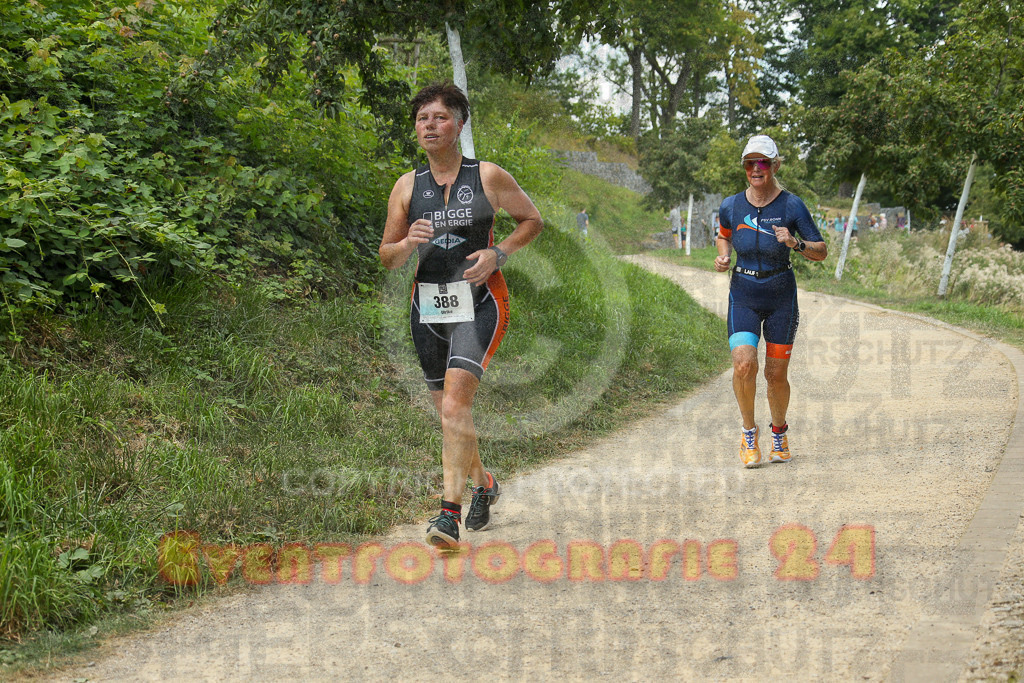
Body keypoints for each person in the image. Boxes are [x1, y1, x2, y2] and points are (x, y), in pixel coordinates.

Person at [379, 83, 543, 548]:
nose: (429, 126)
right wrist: (407, 243)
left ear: (459, 125)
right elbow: (386, 256)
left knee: (455, 405)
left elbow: (532, 220)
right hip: (426, 307)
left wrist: (499, 253)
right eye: (422, 119)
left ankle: (447, 515)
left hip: (479, 302)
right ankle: (484, 485)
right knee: (448, 414)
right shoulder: (407, 186)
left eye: (440, 118)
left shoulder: (487, 176)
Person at [713, 134, 828, 468]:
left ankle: (779, 432)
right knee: (743, 363)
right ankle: (749, 434)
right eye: (750, 163)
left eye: (763, 162)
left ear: (776, 165)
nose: (756, 169)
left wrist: (795, 243)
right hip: (744, 294)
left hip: (781, 297)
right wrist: (723, 256)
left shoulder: (792, 205)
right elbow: (724, 235)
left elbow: (820, 251)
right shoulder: (731, 205)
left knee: (776, 375)